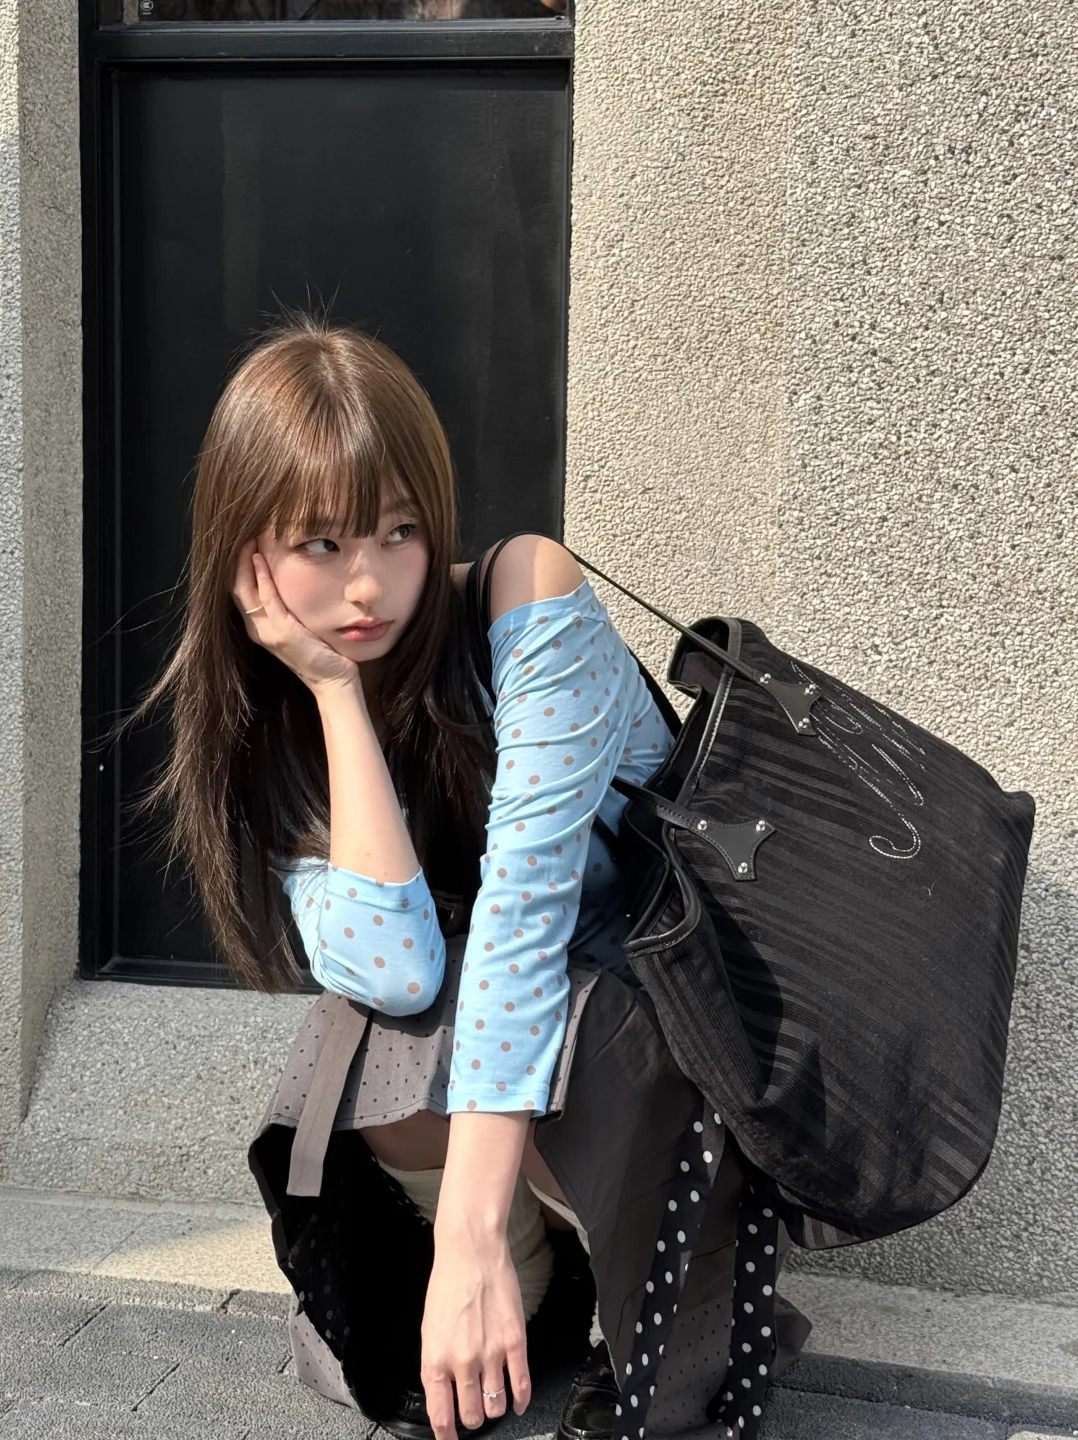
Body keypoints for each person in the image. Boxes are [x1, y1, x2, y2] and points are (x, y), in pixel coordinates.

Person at [115, 312, 809, 1440]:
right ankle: (530, 1288)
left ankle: (636, 1288)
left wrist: (467, 1235)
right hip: (536, 1078)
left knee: (525, 984)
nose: (369, 584)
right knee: (368, 1030)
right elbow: (392, 968)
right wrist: (334, 696)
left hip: (671, 1045)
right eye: (321, 544)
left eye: (398, 531)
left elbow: (528, 921)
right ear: (246, 556)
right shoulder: (276, 732)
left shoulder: (526, 599)